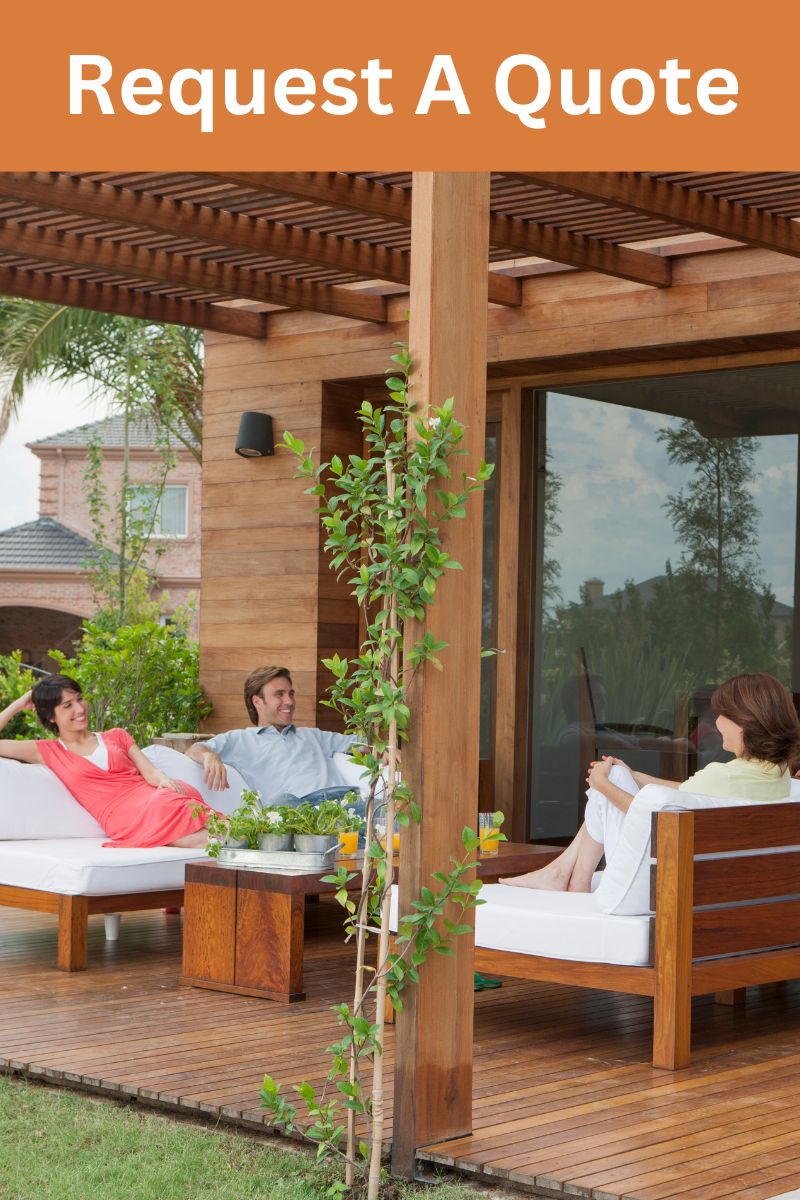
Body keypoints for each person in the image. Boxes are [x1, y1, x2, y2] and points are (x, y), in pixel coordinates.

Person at [503, 672, 800, 893]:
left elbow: (650, 814)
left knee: (610, 781)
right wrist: (634, 775)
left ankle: (567, 876)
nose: (715, 722)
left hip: (663, 882)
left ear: (742, 722)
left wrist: (602, 784)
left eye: (720, 714)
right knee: (617, 774)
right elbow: (685, 794)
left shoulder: (723, 775)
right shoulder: (776, 776)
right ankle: (567, 874)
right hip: (719, 885)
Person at [0, 674, 215, 849]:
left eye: (80, 699)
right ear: (51, 717)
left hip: (155, 797)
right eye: (68, 705)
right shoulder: (47, 750)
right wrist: (18, 704)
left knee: (183, 805)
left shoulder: (117, 735)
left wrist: (164, 781)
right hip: (122, 816)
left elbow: (150, 773)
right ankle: (237, 838)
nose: (79, 708)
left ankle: (237, 838)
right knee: (194, 828)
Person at [186, 665, 360, 807]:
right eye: (279, 694)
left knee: (380, 809)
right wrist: (209, 755)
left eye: (291, 694)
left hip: (344, 801)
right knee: (284, 802)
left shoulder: (313, 736)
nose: (289, 701)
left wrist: (384, 753)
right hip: (297, 811)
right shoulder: (240, 739)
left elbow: (367, 745)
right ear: (257, 702)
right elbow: (194, 750)